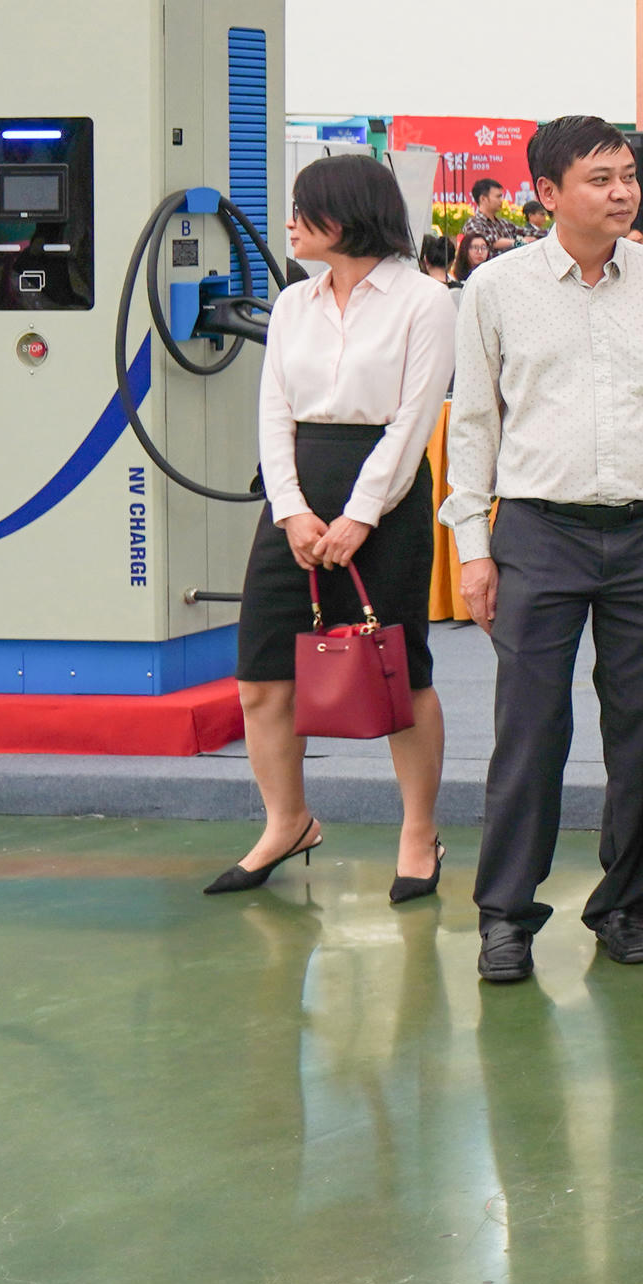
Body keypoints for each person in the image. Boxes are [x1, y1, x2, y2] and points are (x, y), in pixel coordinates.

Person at [447, 115, 643, 985]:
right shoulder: (496, 288)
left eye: (627, 175)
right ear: (548, 193)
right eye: (601, 179)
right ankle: (505, 916)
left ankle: (624, 907)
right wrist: (471, 548)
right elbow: (474, 423)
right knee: (529, 731)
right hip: (538, 531)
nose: (623, 192)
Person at [210, 154, 455, 903]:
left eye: (303, 209)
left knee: (397, 674)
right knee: (261, 678)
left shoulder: (424, 300)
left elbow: (413, 421)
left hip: (384, 493)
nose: (289, 223)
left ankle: (419, 832)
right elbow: (273, 409)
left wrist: (360, 514)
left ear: (345, 217)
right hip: (296, 496)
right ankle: (287, 822)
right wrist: (289, 507)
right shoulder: (294, 302)